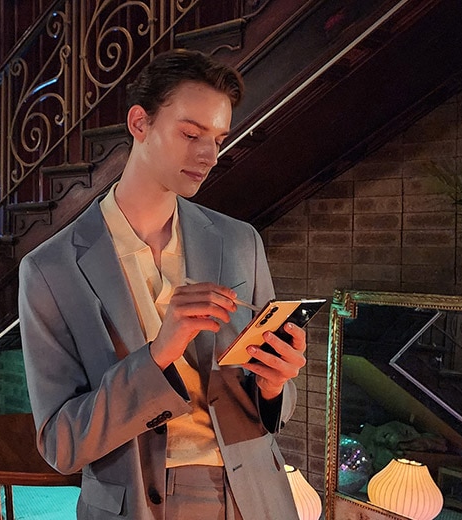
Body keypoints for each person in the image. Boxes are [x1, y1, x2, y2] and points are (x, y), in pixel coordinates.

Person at [19, 48, 307, 520]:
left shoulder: (240, 242)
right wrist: (157, 355)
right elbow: (61, 443)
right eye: (191, 134)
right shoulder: (50, 270)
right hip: (137, 502)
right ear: (139, 123)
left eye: (218, 139)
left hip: (255, 497)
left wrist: (277, 385)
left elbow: (273, 404)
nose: (209, 155)